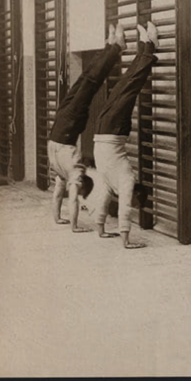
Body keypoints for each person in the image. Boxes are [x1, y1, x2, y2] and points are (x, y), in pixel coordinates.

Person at [47, 24, 125, 233]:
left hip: (65, 128)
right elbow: (57, 195)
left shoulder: (73, 174)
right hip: (59, 130)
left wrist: (73, 225)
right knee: (87, 81)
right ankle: (114, 47)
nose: (77, 186)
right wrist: (56, 217)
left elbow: (70, 199)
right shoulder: (63, 173)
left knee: (87, 80)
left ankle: (114, 47)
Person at [88, 21, 158, 249]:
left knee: (124, 86)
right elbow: (121, 207)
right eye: (137, 202)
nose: (133, 205)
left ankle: (144, 47)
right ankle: (147, 48)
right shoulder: (123, 181)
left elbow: (108, 204)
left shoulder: (117, 183)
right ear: (137, 193)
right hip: (111, 131)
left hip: (105, 131)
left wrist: (105, 230)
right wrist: (115, 235)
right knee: (128, 87)